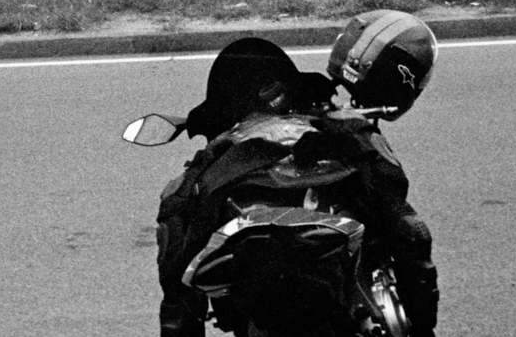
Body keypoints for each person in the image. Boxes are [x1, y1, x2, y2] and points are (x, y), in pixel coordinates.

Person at [154, 20, 441, 337]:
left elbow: (175, 250)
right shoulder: (341, 129)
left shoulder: (212, 160)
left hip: (253, 254)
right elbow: (407, 224)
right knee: (407, 232)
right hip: (319, 264)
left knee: (177, 275)